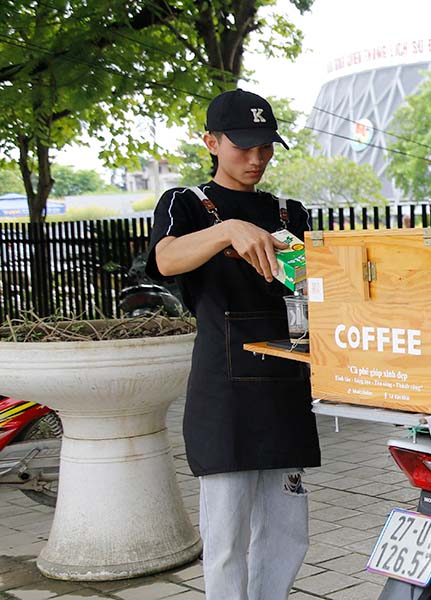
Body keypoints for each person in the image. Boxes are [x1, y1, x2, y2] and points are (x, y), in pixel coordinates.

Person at [145, 89, 320, 599]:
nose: (257, 158)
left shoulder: (289, 213)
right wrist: (229, 232)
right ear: (211, 142)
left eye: (266, 146)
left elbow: (315, 286)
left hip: (286, 387)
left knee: (289, 532)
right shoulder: (186, 205)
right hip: (224, 395)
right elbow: (167, 260)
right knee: (225, 539)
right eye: (243, 146)